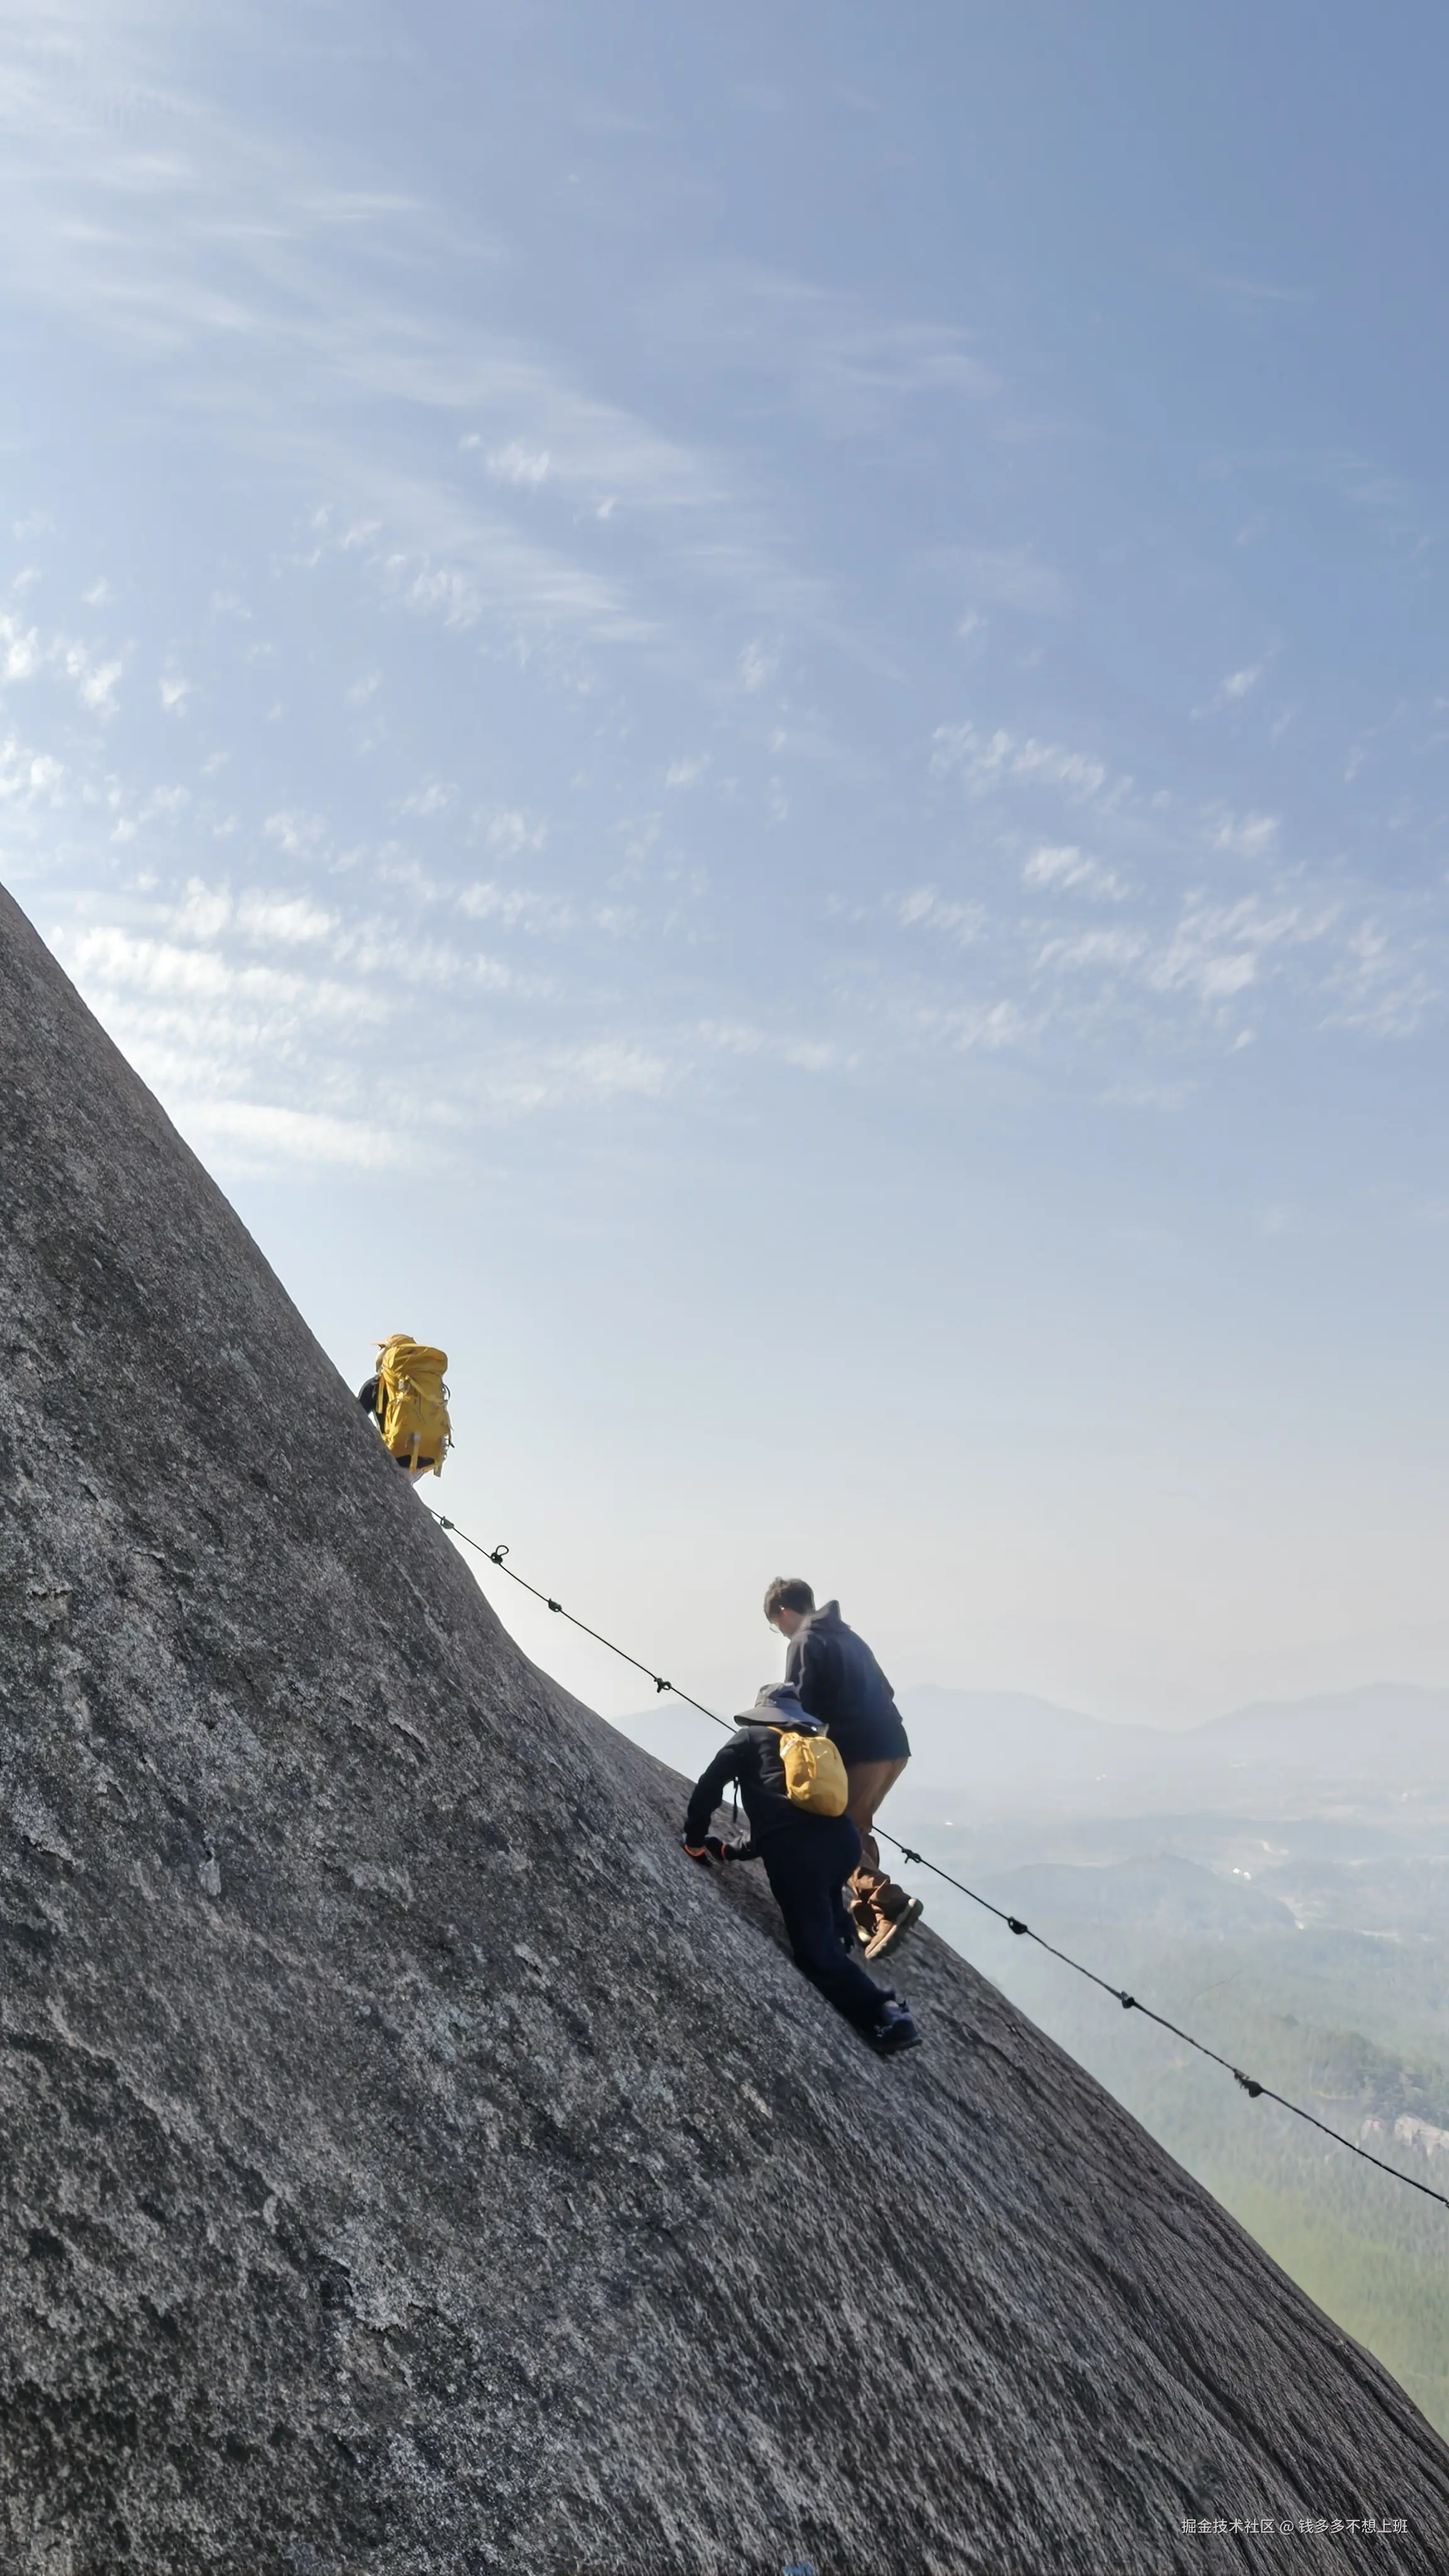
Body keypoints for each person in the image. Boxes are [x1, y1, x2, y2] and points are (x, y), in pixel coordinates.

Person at [681, 1682, 920, 2057]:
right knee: (824, 1895)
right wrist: (730, 1850)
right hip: (842, 1844)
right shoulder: (809, 1741)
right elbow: (783, 1820)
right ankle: (840, 1930)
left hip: (799, 1855)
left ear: (762, 1712)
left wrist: (694, 1836)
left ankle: (886, 2016)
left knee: (814, 1955)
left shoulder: (749, 1738)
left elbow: (711, 1787)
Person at [763, 1578, 924, 1961]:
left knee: (830, 1830)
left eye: (775, 1624)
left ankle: (888, 1903)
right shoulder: (850, 1638)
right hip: (893, 1745)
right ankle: (865, 1913)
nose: (780, 1631)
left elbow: (800, 1709)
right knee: (854, 1824)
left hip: (860, 1750)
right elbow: (887, 1689)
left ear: (783, 1612)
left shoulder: (803, 1641)